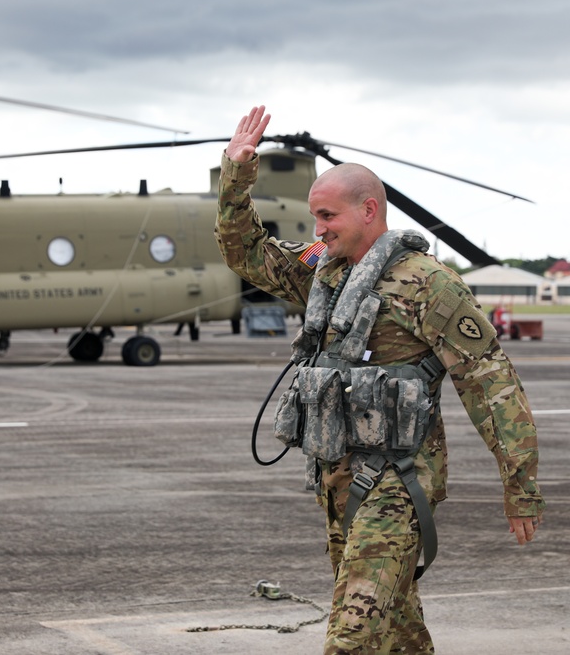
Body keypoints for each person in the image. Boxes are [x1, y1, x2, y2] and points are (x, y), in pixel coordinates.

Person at [215, 106, 545, 653]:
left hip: (399, 482)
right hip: (337, 479)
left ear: (369, 210)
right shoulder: (325, 267)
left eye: (326, 216)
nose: (317, 229)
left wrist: (521, 487)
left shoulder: (429, 284)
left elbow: (491, 384)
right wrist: (236, 174)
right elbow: (247, 254)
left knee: (353, 633)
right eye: (314, 218)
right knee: (395, 625)